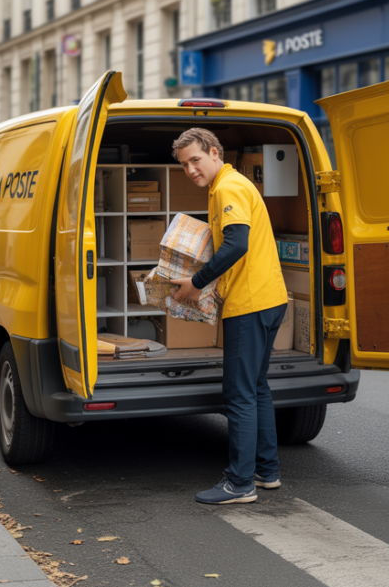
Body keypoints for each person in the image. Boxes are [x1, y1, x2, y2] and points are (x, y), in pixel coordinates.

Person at [170, 128, 289, 505]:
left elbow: (237, 243)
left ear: (215, 152)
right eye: (184, 164)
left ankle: (240, 484)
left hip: (250, 303)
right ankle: (266, 472)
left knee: (239, 393)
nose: (190, 169)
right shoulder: (233, 184)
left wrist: (196, 283)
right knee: (257, 388)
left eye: (195, 160)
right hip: (270, 299)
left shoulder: (227, 188)